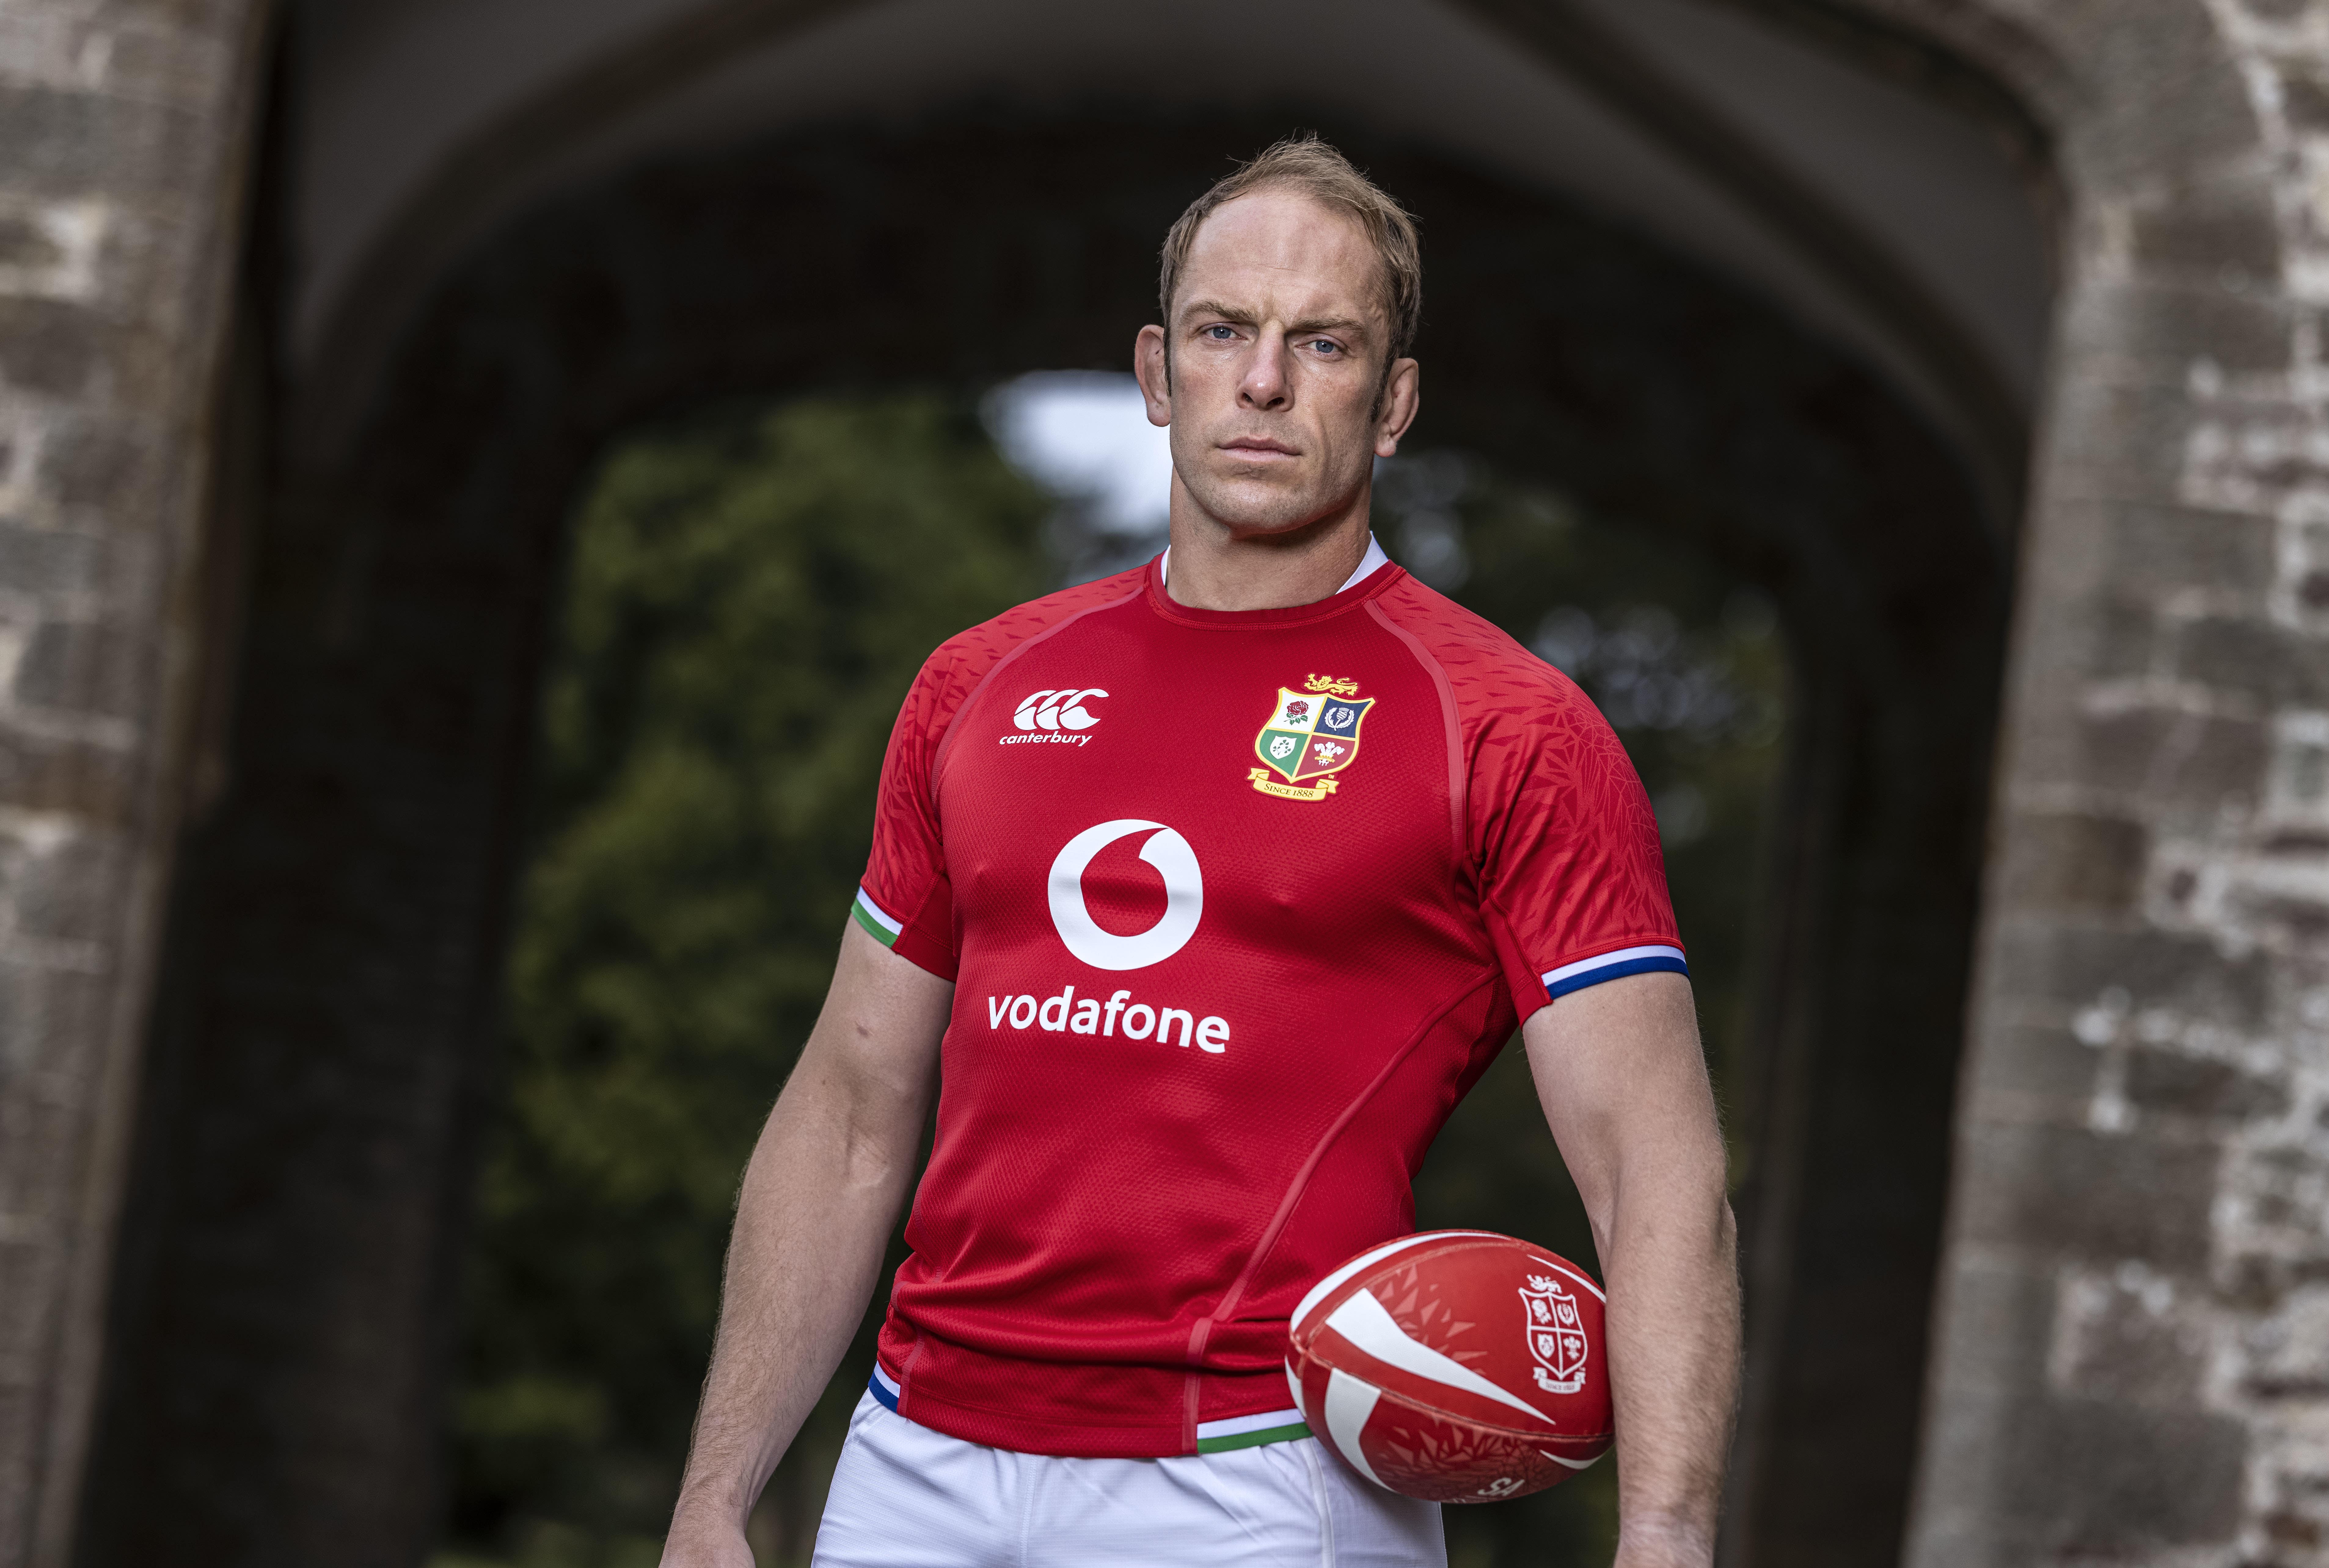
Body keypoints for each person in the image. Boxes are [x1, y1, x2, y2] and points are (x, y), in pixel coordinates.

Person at [658, 137, 1738, 1568]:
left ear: (1393, 401)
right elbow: (852, 1108)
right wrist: (713, 1495)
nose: (1266, 382)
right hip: (912, 1455)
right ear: (1158, 373)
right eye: (1226, 333)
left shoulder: (1511, 730)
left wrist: (1664, 1540)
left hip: (1254, 1480)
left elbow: (1653, 1175)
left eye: (1325, 343)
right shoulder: (973, 684)